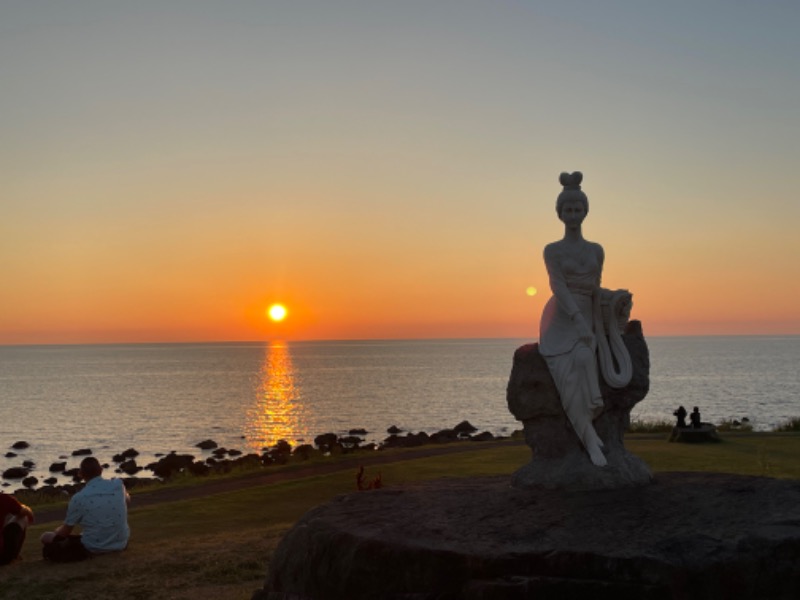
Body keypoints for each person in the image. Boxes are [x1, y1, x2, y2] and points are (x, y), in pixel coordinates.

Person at [539, 171, 607, 467]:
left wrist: (609, 309)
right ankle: (591, 441)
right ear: (560, 213)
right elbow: (558, 286)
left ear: (585, 211)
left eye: (578, 209)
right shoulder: (552, 250)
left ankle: (589, 429)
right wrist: (578, 320)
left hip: (587, 314)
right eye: (568, 210)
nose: (573, 215)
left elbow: (596, 288)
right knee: (568, 374)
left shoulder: (596, 250)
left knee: (584, 359)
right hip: (561, 316)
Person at [41, 456, 130, 562]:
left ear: (80, 474)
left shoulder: (79, 498)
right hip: (121, 543)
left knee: (46, 537)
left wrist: (56, 531)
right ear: (101, 470)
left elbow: (64, 532)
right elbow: (127, 500)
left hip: (94, 547)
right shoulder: (118, 485)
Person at [0, 493, 34, 565]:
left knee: (9, 517)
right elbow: (26, 513)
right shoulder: (3, 498)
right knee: (23, 517)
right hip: (2, 557)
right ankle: (15, 556)